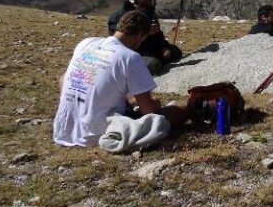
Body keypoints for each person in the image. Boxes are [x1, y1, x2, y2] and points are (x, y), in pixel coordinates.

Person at [54, 11, 189, 147]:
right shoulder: (130, 57)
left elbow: (64, 78)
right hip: (96, 134)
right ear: (140, 35)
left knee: (66, 76)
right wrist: (154, 104)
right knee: (169, 113)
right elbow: (149, 111)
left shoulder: (86, 43)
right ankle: (197, 106)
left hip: (64, 130)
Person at [107, 0, 182, 74]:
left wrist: (164, 47)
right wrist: (145, 32)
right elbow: (119, 40)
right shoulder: (120, 15)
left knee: (176, 52)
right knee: (153, 64)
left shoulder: (149, 13)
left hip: (150, 50)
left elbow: (158, 35)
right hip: (133, 52)